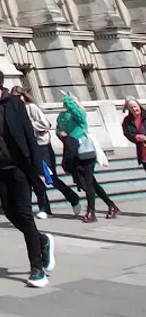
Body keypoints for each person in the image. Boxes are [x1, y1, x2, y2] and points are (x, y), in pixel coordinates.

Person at [0, 64, 53, 287]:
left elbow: (29, 136)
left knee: (25, 214)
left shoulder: (14, 103)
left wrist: (38, 168)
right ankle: (42, 240)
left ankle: (37, 268)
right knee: (10, 213)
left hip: (19, 167)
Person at [11, 85, 80, 217]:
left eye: (18, 96)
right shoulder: (14, 112)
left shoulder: (31, 107)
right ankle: (44, 207)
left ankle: (72, 197)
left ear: (23, 96)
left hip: (42, 146)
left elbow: (45, 124)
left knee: (50, 177)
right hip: (28, 147)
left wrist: (28, 126)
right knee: (35, 178)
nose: (16, 100)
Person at [56, 94, 118, 223]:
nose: (65, 105)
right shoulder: (62, 116)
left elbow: (75, 113)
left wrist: (67, 99)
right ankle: (111, 205)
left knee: (88, 183)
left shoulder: (80, 114)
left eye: (69, 103)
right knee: (90, 183)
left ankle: (91, 212)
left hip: (86, 150)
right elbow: (59, 129)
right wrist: (60, 133)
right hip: (73, 151)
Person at [122, 97, 146, 175]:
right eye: (131, 108)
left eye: (135, 106)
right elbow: (127, 133)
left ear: (139, 105)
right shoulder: (127, 120)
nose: (134, 109)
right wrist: (136, 137)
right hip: (142, 152)